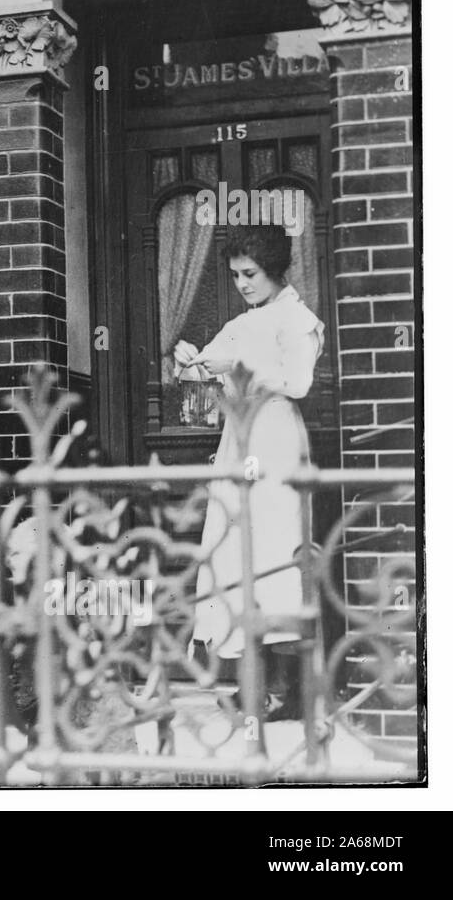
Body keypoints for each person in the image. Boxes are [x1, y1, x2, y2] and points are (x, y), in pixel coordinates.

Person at [175, 225, 324, 721]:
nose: (242, 283)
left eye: (251, 274)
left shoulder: (297, 320)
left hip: (275, 440)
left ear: (274, 270)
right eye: (236, 274)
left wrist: (235, 363)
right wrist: (189, 363)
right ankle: (255, 686)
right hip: (240, 441)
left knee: (274, 556)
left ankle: (287, 689)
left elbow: (299, 383)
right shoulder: (245, 321)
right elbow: (207, 368)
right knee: (237, 553)